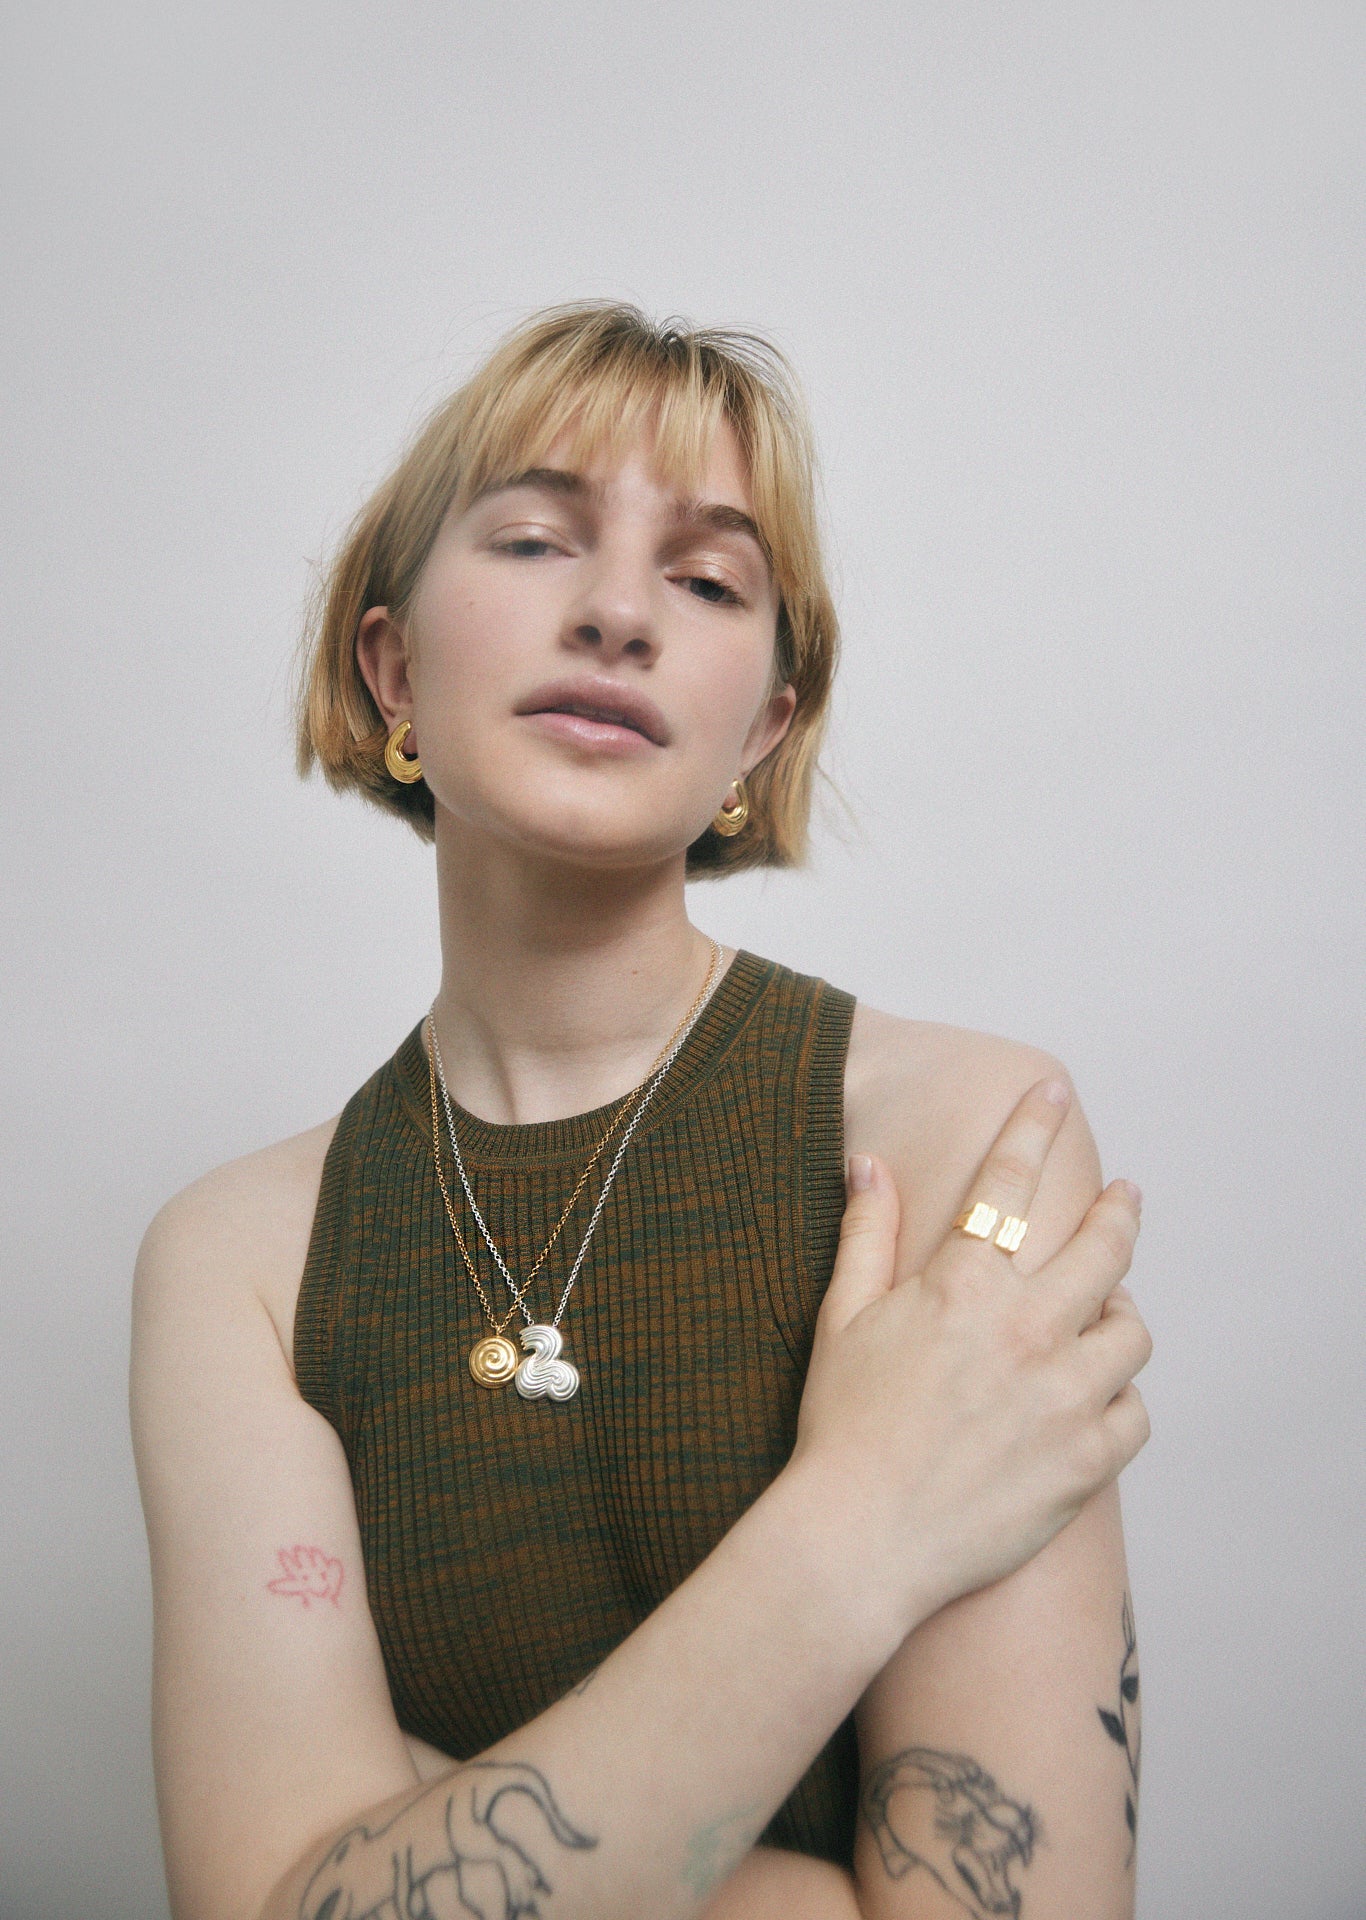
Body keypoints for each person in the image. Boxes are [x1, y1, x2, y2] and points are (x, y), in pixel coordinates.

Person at [130, 301, 1152, 1920]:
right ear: (390, 666)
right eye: (536, 540)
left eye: (707, 580)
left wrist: (426, 1825)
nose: (616, 613)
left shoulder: (963, 1138)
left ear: (762, 730)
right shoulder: (237, 1260)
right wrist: (863, 1523)